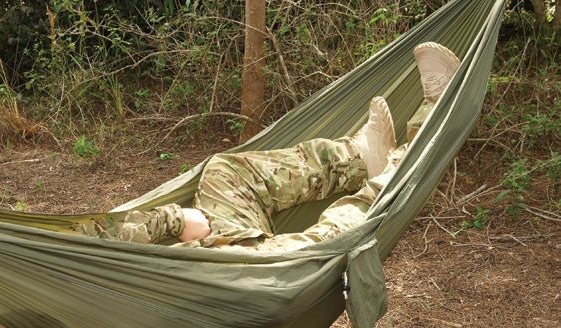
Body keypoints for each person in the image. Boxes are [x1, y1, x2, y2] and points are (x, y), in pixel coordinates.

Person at [67, 42, 461, 251]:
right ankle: (423, 131)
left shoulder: (48, 248)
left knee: (226, 168)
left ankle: (357, 161)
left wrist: (175, 220)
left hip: (220, 246)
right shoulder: (47, 282)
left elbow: (87, 240)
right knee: (334, 238)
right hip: (234, 279)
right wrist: (174, 221)